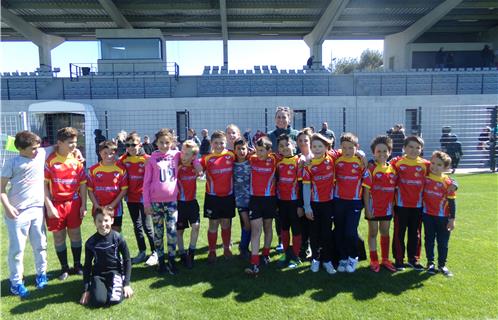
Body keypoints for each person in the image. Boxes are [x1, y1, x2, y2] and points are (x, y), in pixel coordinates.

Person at [1, 131, 48, 298]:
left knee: (40, 244)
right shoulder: (12, 163)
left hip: (37, 209)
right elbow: (1, 189)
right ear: (21, 149)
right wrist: (7, 207)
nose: (37, 150)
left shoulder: (40, 154)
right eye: (33, 148)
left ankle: (41, 274)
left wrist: (76, 151)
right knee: (17, 250)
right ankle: (16, 283)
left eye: (38, 147)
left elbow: (59, 147)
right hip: (17, 213)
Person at [44, 127, 87, 281]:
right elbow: (44, 186)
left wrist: (84, 205)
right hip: (56, 204)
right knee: (59, 236)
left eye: (75, 142)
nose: (73, 146)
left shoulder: (77, 161)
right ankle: (64, 267)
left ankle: (77, 265)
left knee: (75, 234)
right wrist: (49, 206)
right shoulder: (50, 161)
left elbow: (83, 184)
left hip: (74, 203)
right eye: (70, 143)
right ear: (59, 143)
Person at [143, 129, 183, 275]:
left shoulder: (176, 155)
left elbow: (192, 153)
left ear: (171, 142)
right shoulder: (152, 159)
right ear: (156, 143)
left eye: (167, 142)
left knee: (172, 231)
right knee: (158, 233)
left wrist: (197, 163)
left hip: (171, 201)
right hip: (155, 203)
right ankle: (161, 261)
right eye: (161, 142)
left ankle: (171, 260)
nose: (164, 145)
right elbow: (146, 183)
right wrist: (146, 203)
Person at [389, 136, 430, 271]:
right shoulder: (397, 162)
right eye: (411, 147)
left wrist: (454, 183)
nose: (414, 150)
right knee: (399, 233)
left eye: (417, 147)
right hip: (400, 205)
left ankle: (414, 259)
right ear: (404, 148)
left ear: (421, 149)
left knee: (415, 233)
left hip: (418, 206)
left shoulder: (426, 165)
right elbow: (385, 169)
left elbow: (440, 175)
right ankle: (399, 260)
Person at [80, 207, 133, 307]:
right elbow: (87, 266)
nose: (103, 224)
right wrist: (86, 290)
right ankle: (96, 284)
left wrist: (126, 284)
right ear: (95, 222)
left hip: (115, 272)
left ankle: (116, 283)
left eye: (106, 220)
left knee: (114, 300)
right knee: (98, 301)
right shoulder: (90, 242)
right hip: (98, 275)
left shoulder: (118, 238)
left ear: (112, 220)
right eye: (99, 221)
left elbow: (127, 260)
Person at [117, 133, 157, 266]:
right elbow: (111, 163)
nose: (131, 147)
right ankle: (142, 252)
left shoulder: (147, 159)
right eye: (127, 145)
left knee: (147, 226)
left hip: (144, 198)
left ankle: (155, 252)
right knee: (137, 225)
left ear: (140, 145)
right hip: (131, 198)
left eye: (133, 145)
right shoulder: (123, 160)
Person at [302, 133, 336, 275]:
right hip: (314, 204)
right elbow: (305, 187)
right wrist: (307, 207)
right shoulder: (308, 165)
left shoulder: (333, 158)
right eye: (314, 146)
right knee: (314, 233)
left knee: (326, 233)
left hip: (329, 203)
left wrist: (361, 153)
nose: (316, 149)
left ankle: (327, 260)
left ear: (327, 147)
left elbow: (352, 149)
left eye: (320, 146)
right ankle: (315, 260)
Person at [200, 130, 236, 263]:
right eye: (216, 143)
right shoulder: (207, 158)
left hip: (228, 196)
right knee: (213, 224)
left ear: (226, 142)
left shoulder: (231, 155)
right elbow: (197, 166)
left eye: (221, 143)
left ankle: (227, 248)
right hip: (212, 197)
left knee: (226, 223)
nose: (219, 146)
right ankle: (212, 251)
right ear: (211, 143)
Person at [362, 135, 397, 273]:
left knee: (385, 232)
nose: (382, 154)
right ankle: (374, 259)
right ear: (373, 153)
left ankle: (385, 259)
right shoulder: (371, 169)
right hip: (373, 208)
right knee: (373, 232)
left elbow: (394, 191)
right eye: (378, 151)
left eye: (385, 151)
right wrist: (367, 209)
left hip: (387, 208)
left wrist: (393, 207)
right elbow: (365, 191)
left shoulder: (393, 169)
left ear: (389, 152)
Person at [244, 136, 278, 276]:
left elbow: (292, 156)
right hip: (255, 200)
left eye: (262, 150)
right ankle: (254, 262)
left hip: (270, 199)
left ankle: (265, 253)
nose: (259, 153)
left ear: (269, 150)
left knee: (268, 227)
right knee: (256, 230)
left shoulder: (275, 159)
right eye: (257, 150)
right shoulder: (252, 159)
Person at [334, 133, 367, 274]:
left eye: (351, 148)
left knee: (350, 232)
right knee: (339, 231)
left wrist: (363, 155)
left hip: (354, 202)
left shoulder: (361, 161)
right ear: (340, 148)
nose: (347, 151)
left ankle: (353, 257)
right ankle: (343, 257)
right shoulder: (336, 159)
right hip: (338, 200)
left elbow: (366, 181)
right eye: (344, 148)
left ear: (356, 147)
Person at [267, 106, 299, 253]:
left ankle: (300, 243)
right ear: (275, 119)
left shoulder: (296, 134)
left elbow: (302, 151)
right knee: (279, 212)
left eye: (284, 117)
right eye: (278, 117)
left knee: (296, 214)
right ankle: (281, 240)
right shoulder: (269, 135)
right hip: (276, 175)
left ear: (289, 119)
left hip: (294, 174)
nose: (281, 119)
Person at [422, 151, 456, 277]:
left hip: (443, 217)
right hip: (427, 215)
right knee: (429, 240)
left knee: (443, 242)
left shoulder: (448, 183)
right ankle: (430, 263)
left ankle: (442, 265)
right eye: (433, 163)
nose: (434, 166)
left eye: (439, 165)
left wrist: (452, 219)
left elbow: (452, 202)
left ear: (445, 168)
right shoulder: (425, 177)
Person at [87, 141, 128, 233]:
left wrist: (112, 205)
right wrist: (96, 205)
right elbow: (90, 190)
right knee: (101, 230)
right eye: (105, 153)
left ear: (115, 153)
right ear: (99, 153)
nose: (108, 156)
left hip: (116, 208)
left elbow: (124, 190)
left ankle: (115, 248)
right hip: (98, 207)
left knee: (116, 231)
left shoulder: (121, 169)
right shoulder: (93, 169)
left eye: (111, 153)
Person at [275, 134, 302, 268]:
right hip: (282, 202)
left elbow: (302, 184)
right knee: (284, 229)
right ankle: (286, 253)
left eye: (287, 144)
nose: (285, 147)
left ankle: (296, 257)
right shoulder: (278, 163)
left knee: (296, 229)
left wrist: (300, 204)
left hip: (295, 202)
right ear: (278, 149)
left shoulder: (299, 161)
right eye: (281, 146)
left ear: (294, 145)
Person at [176, 140, 201, 269]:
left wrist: (195, 162)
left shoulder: (195, 166)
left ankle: (191, 252)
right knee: (179, 231)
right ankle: (182, 254)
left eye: (187, 154)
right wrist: (179, 166)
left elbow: (200, 171)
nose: (184, 156)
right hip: (179, 203)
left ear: (193, 156)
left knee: (196, 226)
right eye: (183, 153)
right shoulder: (176, 165)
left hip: (192, 202)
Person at [296, 128, 314, 261]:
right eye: (300, 140)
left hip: (316, 195)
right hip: (301, 193)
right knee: (303, 223)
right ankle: (304, 247)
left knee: (315, 224)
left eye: (305, 140)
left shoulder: (316, 156)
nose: (303, 143)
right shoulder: (296, 158)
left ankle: (316, 249)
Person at [233, 138, 252, 259]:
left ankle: (245, 247)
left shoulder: (252, 162)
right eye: (238, 149)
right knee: (247, 224)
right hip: (240, 200)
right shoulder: (232, 165)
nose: (241, 151)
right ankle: (243, 247)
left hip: (253, 200)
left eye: (243, 148)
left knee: (251, 225)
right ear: (234, 150)